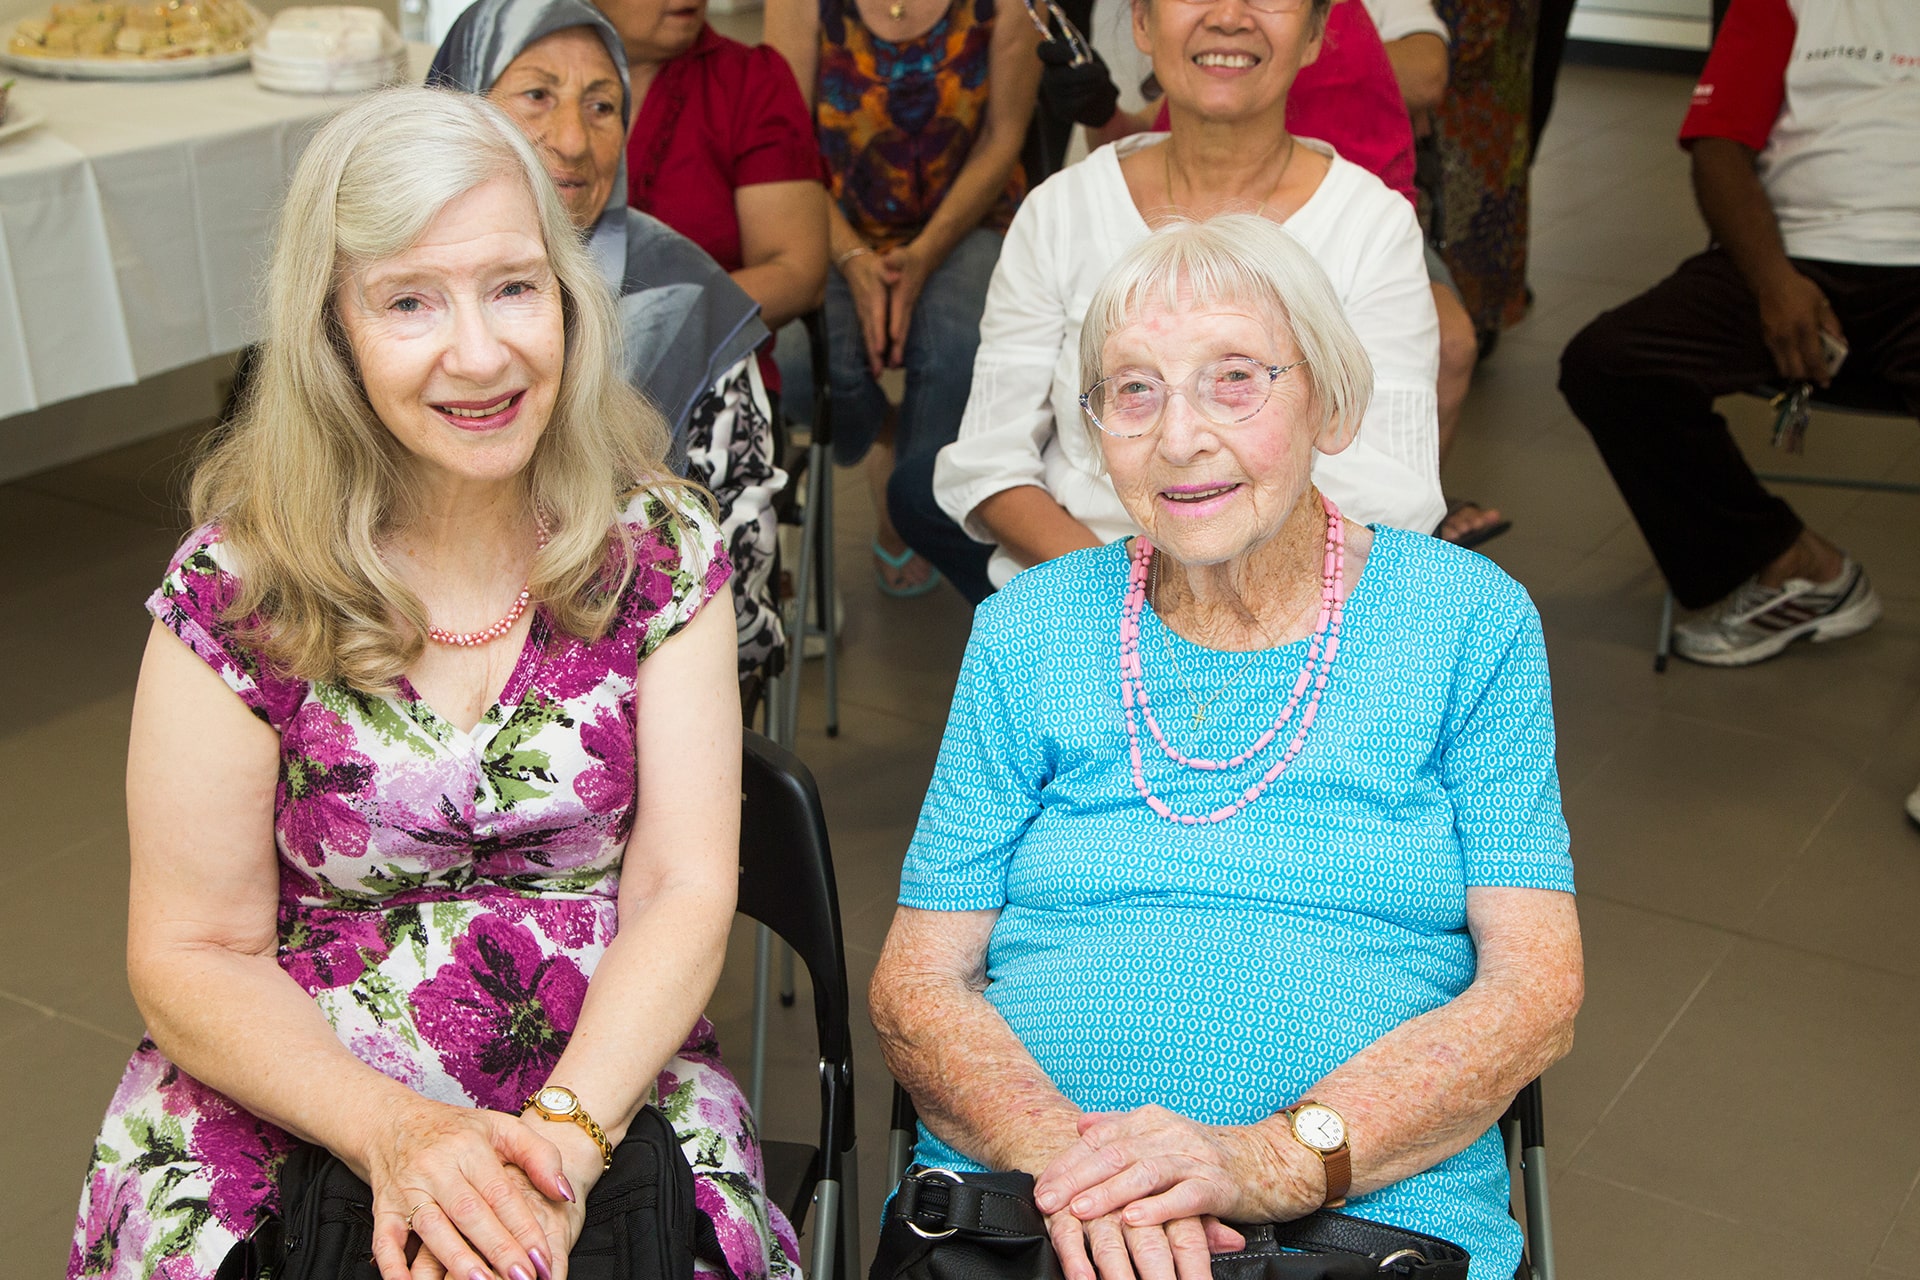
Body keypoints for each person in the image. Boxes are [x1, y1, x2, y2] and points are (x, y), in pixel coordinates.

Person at [66, 88, 799, 1280]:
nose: (481, 351)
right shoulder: (241, 585)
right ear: (334, 334)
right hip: (295, 1099)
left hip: (600, 1085)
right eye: (410, 299)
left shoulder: (659, 547)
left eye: (513, 284)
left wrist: (560, 1143)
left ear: (566, 297)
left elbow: (679, 887)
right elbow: (193, 949)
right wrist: (397, 1133)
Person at [870, 215, 1582, 1280]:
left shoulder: (1468, 623)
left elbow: (1535, 988)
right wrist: (1093, 1173)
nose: (1179, 436)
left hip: (1357, 1223)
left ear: (1331, 405)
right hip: (1030, 1214)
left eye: (1235, 379)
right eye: (1135, 389)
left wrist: (1267, 1160)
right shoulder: (1028, 626)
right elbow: (916, 984)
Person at [918, 0, 1445, 604]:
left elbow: (1394, 494)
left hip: (1301, 618)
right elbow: (989, 463)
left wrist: (1221, 621)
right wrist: (1138, 608)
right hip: (1087, 600)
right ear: (1141, 21)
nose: (1229, 17)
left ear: (1315, 34)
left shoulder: (1371, 225)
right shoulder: (1059, 213)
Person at [431, 0, 787, 691]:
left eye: (601, 106)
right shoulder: (378, 288)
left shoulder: (691, 305)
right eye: (537, 95)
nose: (572, 139)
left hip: (632, 697)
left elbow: (736, 595)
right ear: (458, 108)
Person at [1558, 0, 1917, 669]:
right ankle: (1793, 566)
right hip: (1793, 259)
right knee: (1611, 364)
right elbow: (1719, 147)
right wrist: (1774, 280)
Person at [764, 0, 1042, 596]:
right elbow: (782, 139)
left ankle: (910, 502)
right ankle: (886, 436)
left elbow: (1004, 137)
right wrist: (853, 259)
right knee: (798, 364)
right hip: (830, 217)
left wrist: (922, 257)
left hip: (968, 218)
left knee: (961, 353)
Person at [593, 0, 828, 347]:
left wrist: (642, 329)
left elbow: (797, 274)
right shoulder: (520, 81)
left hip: (710, 374)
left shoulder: (750, 80)